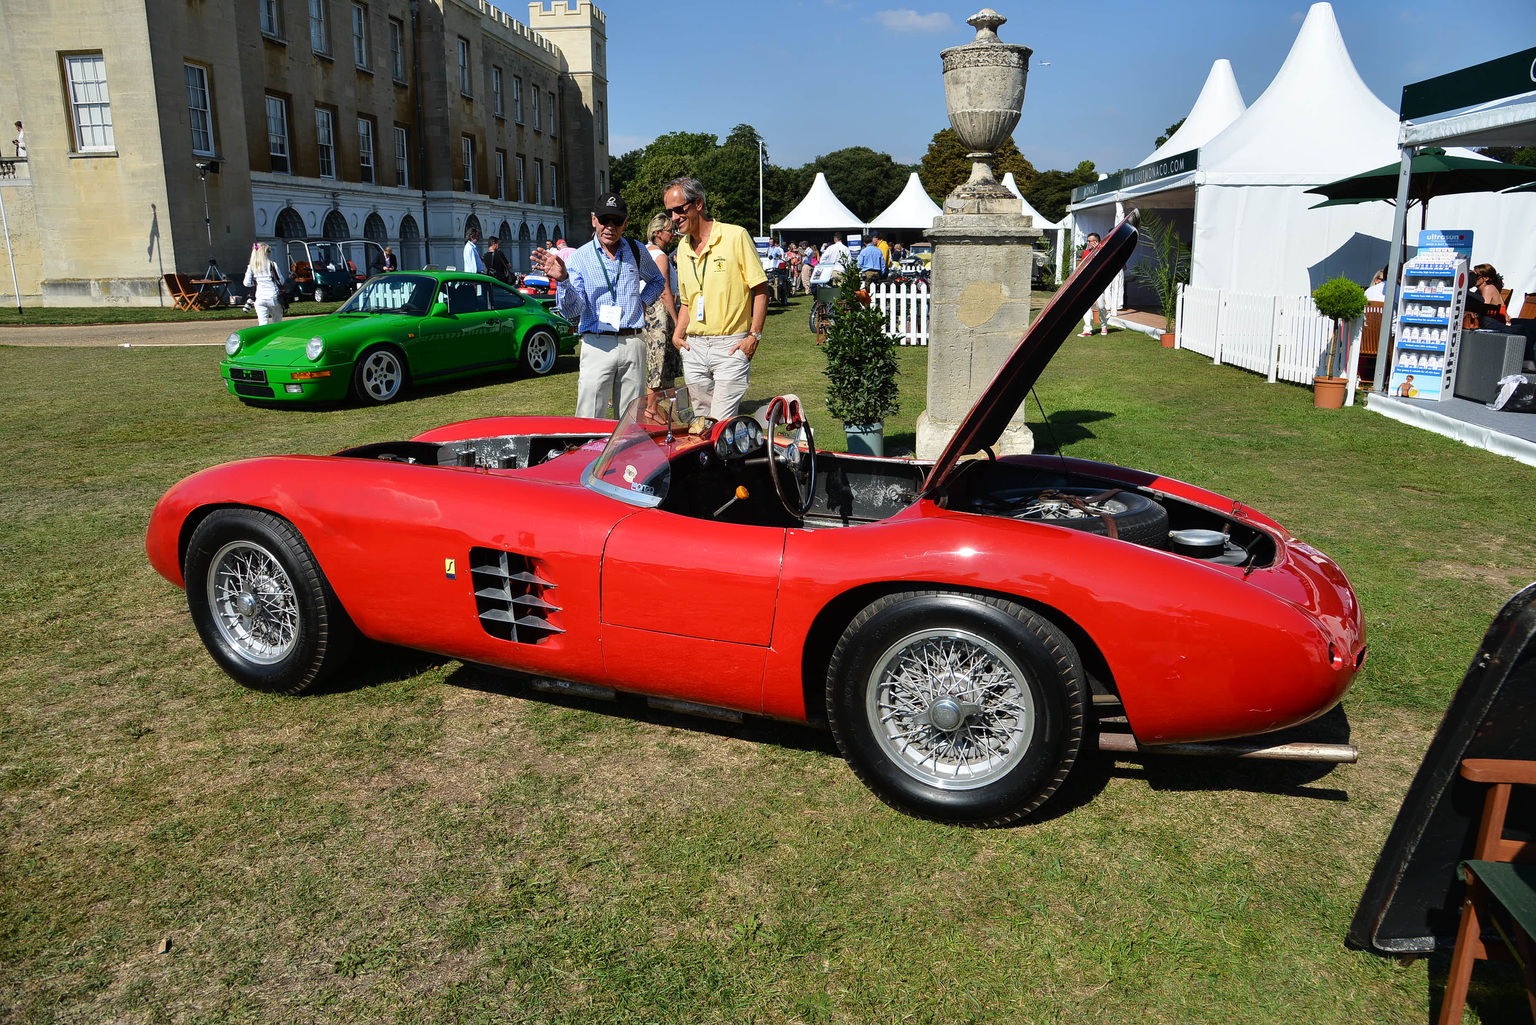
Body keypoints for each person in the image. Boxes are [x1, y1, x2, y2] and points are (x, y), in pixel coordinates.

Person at [534, 192, 664, 419]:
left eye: (616, 221)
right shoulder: (579, 258)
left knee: (630, 421)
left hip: (632, 341)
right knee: (589, 417)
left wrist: (643, 302)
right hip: (596, 344)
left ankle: (624, 456)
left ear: (626, 222)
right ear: (594, 219)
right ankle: (589, 455)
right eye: (604, 220)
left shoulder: (636, 250)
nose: (609, 226)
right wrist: (563, 280)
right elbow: (572, 311)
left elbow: (657, 280)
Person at [665, 175, 767, 421]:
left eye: (679, 209)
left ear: (698, 204)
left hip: (730, 345)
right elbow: (689, 300)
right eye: (670, 212)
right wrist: (678, 334)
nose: (674, 218)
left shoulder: (735, 236)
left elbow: (761, 289)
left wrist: (754, 336)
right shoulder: (683, 247)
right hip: (695, 346)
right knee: (701, 420)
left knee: (721, 421)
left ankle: (732, 458)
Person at [642, 212, 684, 403]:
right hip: (658, 314)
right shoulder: (660, 257)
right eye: (670, 230)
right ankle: (651, 408)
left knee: (653, 361)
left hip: (645, 312)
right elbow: (664, 291)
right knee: (658, 363)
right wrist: (677, 321)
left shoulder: (643, 252)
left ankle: (656, 407)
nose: (673, 234)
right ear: (658, 233)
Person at [243, 243, 285, 326]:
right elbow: (281, 280)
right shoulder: (272, 264)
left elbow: (247, 283)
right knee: (277, 323)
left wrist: (255, 282)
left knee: (263, 324)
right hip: (273, 296)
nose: (270, 253)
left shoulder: (251, 266)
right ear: (264, 253)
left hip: (260, 298)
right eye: (269, 251)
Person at [1077, 232, 1110, 336]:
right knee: (1085, 306)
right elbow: (1083, 266)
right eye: (1087, 241)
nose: (1088, 243)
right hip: (1087, 282)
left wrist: (1098, 250)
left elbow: (1104, 262)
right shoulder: (1086, 252)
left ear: (1096, 241)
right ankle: (1087, 329)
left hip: (1099, 282)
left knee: (1100, 306)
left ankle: (1104, 325)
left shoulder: (1103, 251)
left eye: (1089, 241)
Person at [1472, 264, 1507, 329]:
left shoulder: (1488, 288)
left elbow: (1482, 309)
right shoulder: (1480, 290)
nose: (1473, 277)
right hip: (1491, 323)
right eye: (1472, 274)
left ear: (1486, 278)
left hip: (1496, 324)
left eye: (1476, 275)